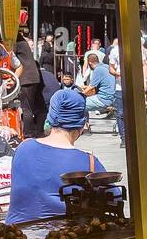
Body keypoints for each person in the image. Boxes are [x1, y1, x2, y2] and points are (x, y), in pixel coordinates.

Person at [6, 90, 108, 224]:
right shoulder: (89, 162)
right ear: (82, 125)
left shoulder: (23, 147)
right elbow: (114, 197)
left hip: (14, 235)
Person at [13, 28, 43, 140]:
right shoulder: (22, 42)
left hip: (27, 78)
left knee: (26, 108)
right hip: (32, 77)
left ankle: (28, 134)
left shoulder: (16, 42)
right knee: (29, 107)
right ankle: (31, 132)